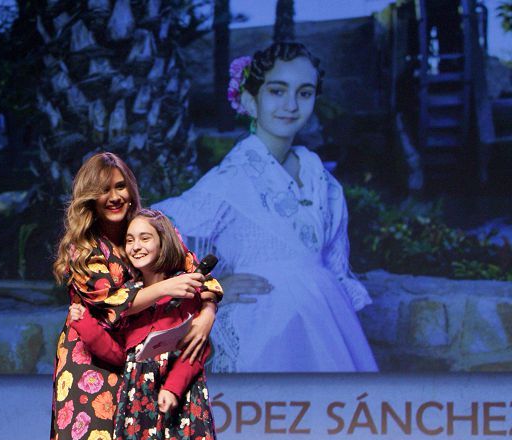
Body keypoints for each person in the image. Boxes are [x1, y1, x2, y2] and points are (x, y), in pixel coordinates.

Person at [45, 152, 220, 440]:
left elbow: (199, 276)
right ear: (89, 196)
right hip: (90, 362)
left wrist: (206, 315)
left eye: (121, 186)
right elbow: (111, 302)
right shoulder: (83, 249)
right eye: (105, 188)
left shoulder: (151, 227)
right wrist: (163, 289)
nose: (115, 196)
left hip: (144, 364)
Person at [153, 42, 377, 372]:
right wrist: (207, 286)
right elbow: (148, 233)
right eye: (276, 90)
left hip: (326, 322)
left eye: (304, 93)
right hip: (264, 330)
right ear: (249, 99)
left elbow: (332, 263)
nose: (290, 104)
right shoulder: (231, 180)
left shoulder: (323, 181)